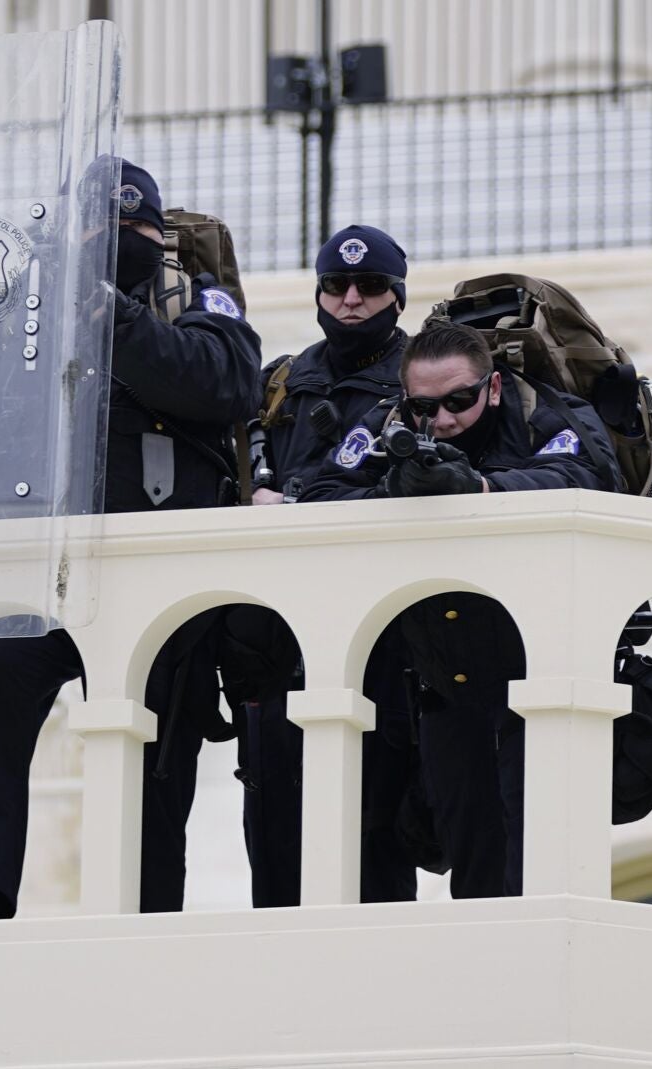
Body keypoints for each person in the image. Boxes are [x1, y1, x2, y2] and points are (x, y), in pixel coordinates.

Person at [0, 161, 262, 920]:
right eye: (96, 224)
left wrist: (110, 315)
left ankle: (140, 911)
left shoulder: (191, 299)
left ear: (157, 232)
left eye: (131, 225)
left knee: (154, 747)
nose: (113, 238)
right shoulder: (16, 310)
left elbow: (226, 382)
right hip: (34, 564)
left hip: (155, 571)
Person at [303, 321, 619, 898]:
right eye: (424, 406)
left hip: (538, 670)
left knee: (543, 858)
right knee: (473, 861)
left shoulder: (542, 414)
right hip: (445, 679)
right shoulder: (387, 424)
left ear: (492, 388)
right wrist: (391, 496)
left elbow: (588, 478)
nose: (442, 419)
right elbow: (323, 497)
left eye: (458, 400)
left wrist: (481, 491)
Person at [225, 224, 419, 907]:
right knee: (275, 829)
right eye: (336, 285)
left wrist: (295, 500)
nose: (351, 299)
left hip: (378, 639)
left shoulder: (423, 382)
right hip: (277, 639)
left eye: (370, 286)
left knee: (374, 834)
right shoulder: (281, 382)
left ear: (396, 295)